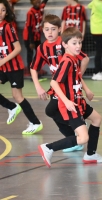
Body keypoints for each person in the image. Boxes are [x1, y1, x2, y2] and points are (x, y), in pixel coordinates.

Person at [38, 27, 102, 168]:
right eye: (74, 43)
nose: (78, 46)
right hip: (71, 104)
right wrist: (67, 101)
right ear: (65, 45)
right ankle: (48, 148)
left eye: (79, 43)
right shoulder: (67, 61)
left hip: (79, 100)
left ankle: (91, 154)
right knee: (83, 138)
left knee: (97, 119)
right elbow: (54, 82)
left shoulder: (75, 59)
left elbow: (77, 77)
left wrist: (87, 90)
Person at [30, 14, 89, 153]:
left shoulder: (64, 44)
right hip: (55, 86)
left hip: (64, 87)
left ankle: (77, 131)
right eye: (46, 29)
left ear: (59, 30)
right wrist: (38, 86)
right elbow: (33, 68)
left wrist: (76, 76)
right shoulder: (42, 48)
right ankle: (75, 135)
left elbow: (84, 59)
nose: (50, 32)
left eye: (53, 29)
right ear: (42, 30)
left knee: (54, 110)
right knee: (51, 111)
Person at [0, 0, 43, 135]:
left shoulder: (8, 27)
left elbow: (17, 48)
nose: (0, 13)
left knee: (17, 96)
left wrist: (2, 61)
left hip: (13, 67)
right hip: (3, 67)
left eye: (2, 10)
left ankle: (35, 123)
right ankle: (12, 107)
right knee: (15, 99)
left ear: (6, 12)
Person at [23, 0, 48, 75]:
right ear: (31, 2)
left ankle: (36, 69)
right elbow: (29, 27)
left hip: (37, 37)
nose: (37, 1)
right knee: (30, 54)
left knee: (39, 52)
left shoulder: (40, 8)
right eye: (35, 0)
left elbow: (44, 2)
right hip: (29, 38)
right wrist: (31, 42)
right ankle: (30, 72)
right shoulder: (30, 13)